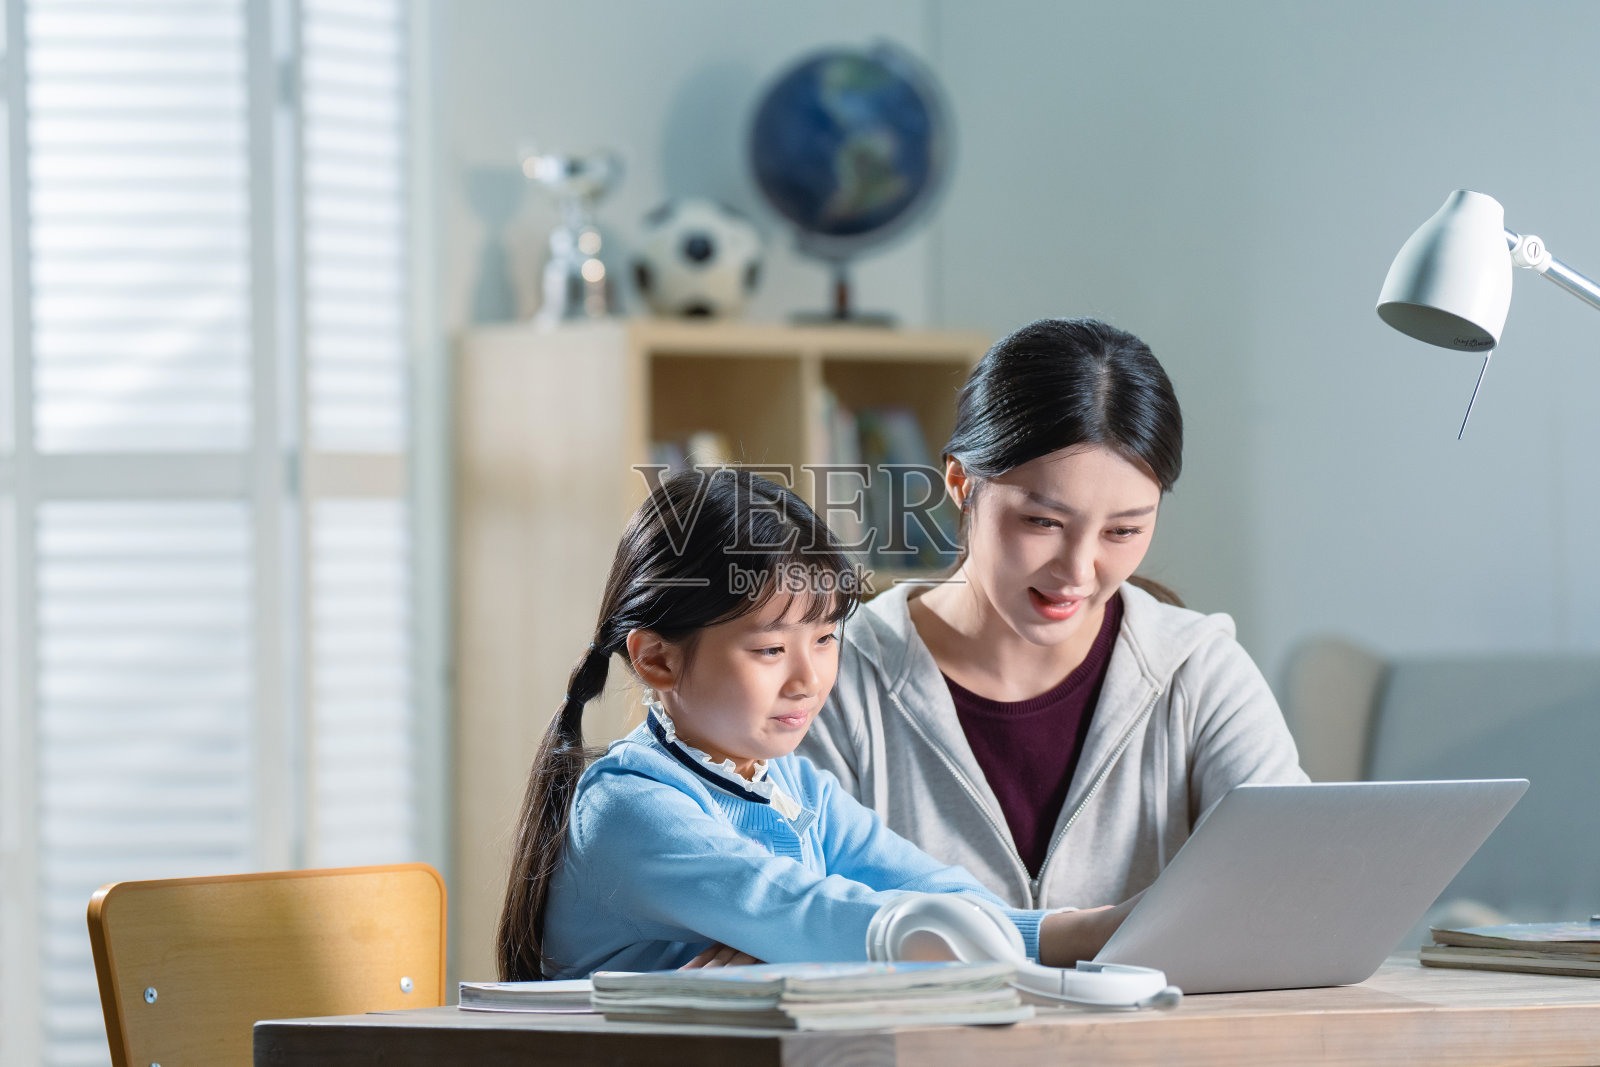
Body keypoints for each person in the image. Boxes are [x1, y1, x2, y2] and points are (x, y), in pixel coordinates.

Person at [497, 468, 1134, 981]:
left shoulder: (800, 792)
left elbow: (938, 893)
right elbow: (801, 910)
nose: (809, 678)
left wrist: (1075, 932)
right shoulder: (629, 807)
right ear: (658, 659)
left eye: (826, 637)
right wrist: (805, 942)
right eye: (770, 650)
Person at [798, 317, 1307, 912]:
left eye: (1124, 530)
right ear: (962, 484)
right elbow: (797, 915)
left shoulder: (1199, 673)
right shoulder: (833, 676)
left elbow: (1292, 889)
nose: (1078, 570)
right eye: (1044, 522)